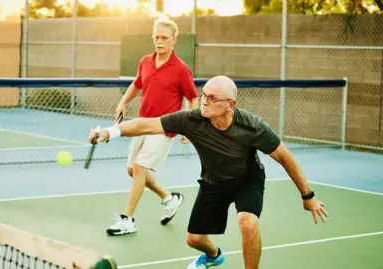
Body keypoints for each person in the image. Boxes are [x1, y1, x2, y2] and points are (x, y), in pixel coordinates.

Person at [88, 75, 329, 268]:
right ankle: (214, 256)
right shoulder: (192, 119)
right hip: (213, 181)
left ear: (230, 104)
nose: (204, 101)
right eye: (204, 95)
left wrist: (307, 196)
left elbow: (285, 157)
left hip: (247, 180)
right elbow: (147, 124)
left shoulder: (252, 127)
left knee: (247, 223)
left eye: (212, 98)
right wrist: (111, 132)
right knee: (194, 239)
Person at [107, 16, 199, 236]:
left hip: (163, 128)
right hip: (141, 123)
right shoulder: (145, 61)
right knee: (132, 170)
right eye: (156, 37)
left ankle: (128, 220)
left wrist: (188, 126)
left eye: (164, 38)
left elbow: (192, 98)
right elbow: (137, 83)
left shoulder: (181, 69)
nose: (159, 41)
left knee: (139, 169)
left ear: (173, 40)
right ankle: (169, 198)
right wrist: (123, 102)